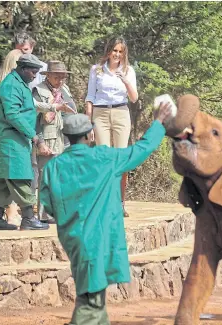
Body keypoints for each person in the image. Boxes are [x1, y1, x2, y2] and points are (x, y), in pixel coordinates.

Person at [39, 102, 172, 325]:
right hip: (98, 238)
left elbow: (46, 204)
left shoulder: (54, 166)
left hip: (72, 238)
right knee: (91, 299)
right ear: (89, 134)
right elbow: (141, 149)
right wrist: (158, 123)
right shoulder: (105, 158)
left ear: (67, 136)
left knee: (91, 292)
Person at [0, 54, 49, 231]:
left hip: (15, 138)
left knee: (6, 181)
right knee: (18, 177)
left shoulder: (20, 84)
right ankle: (28, 218)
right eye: (32, 72)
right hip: (9, 139)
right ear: (22, 69)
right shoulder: (11, 85)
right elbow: (13, 115)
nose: (34, 76)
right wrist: (35, 137)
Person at [85, 36, 138, 218]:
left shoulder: (128, 70)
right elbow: (90, 97)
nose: (117, 54)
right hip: (100, 114)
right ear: (108, 51)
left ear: (124, 53)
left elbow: (134, 98)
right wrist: (88, 123)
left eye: (120, 51)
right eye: (114, 50)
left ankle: (120, 203)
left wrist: (125, 80)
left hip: (121, 112)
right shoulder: (97, 70)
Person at [32, 60, 77, 224]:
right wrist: (40, 142)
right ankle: (44, 214)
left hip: (64, 139)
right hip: (48, 139)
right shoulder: (39, 91)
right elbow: (34, 120)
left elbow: (71, 112)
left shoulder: (64, 90)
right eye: (57, 76)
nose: (60, 80)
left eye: (63, 77)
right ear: (48, 75)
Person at [14, 31, 48, 213]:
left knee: (35, 162)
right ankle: (18, 203)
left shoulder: (42, 68)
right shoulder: (12, 67)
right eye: (19, 51)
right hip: (18, 119)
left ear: (32, 48)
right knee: (21, 160)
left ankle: (31, 202)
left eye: (26, 50)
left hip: (36, 117)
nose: (23, 54)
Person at [0, 49, 24, 226]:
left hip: (3, 134)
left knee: (5, 176)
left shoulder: (7, 83)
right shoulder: (10, 85)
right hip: (9, 135)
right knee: (11, 175)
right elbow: (14, 114)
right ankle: (12, 213)